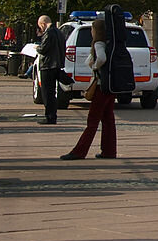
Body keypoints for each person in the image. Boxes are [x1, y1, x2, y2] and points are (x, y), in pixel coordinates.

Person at [62, 18, 118, 160]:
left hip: (100, 85)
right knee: (108, 119)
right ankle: (109, 150)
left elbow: (101, 58)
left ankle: (80, 151)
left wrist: (94, 67)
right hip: (110, 85)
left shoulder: (99, 43)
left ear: (96, 31)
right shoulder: (111, 43)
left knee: (93, 120)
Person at [35, 15, 65, 125]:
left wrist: (36, 48)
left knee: (47, 93)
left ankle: (50, 117)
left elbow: (43, 49)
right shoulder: (59, 32)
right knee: (52, 92)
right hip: (56, 65)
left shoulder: (49, 33)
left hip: (48, 65)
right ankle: (52, 115)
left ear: (42, 24)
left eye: (40, 26)